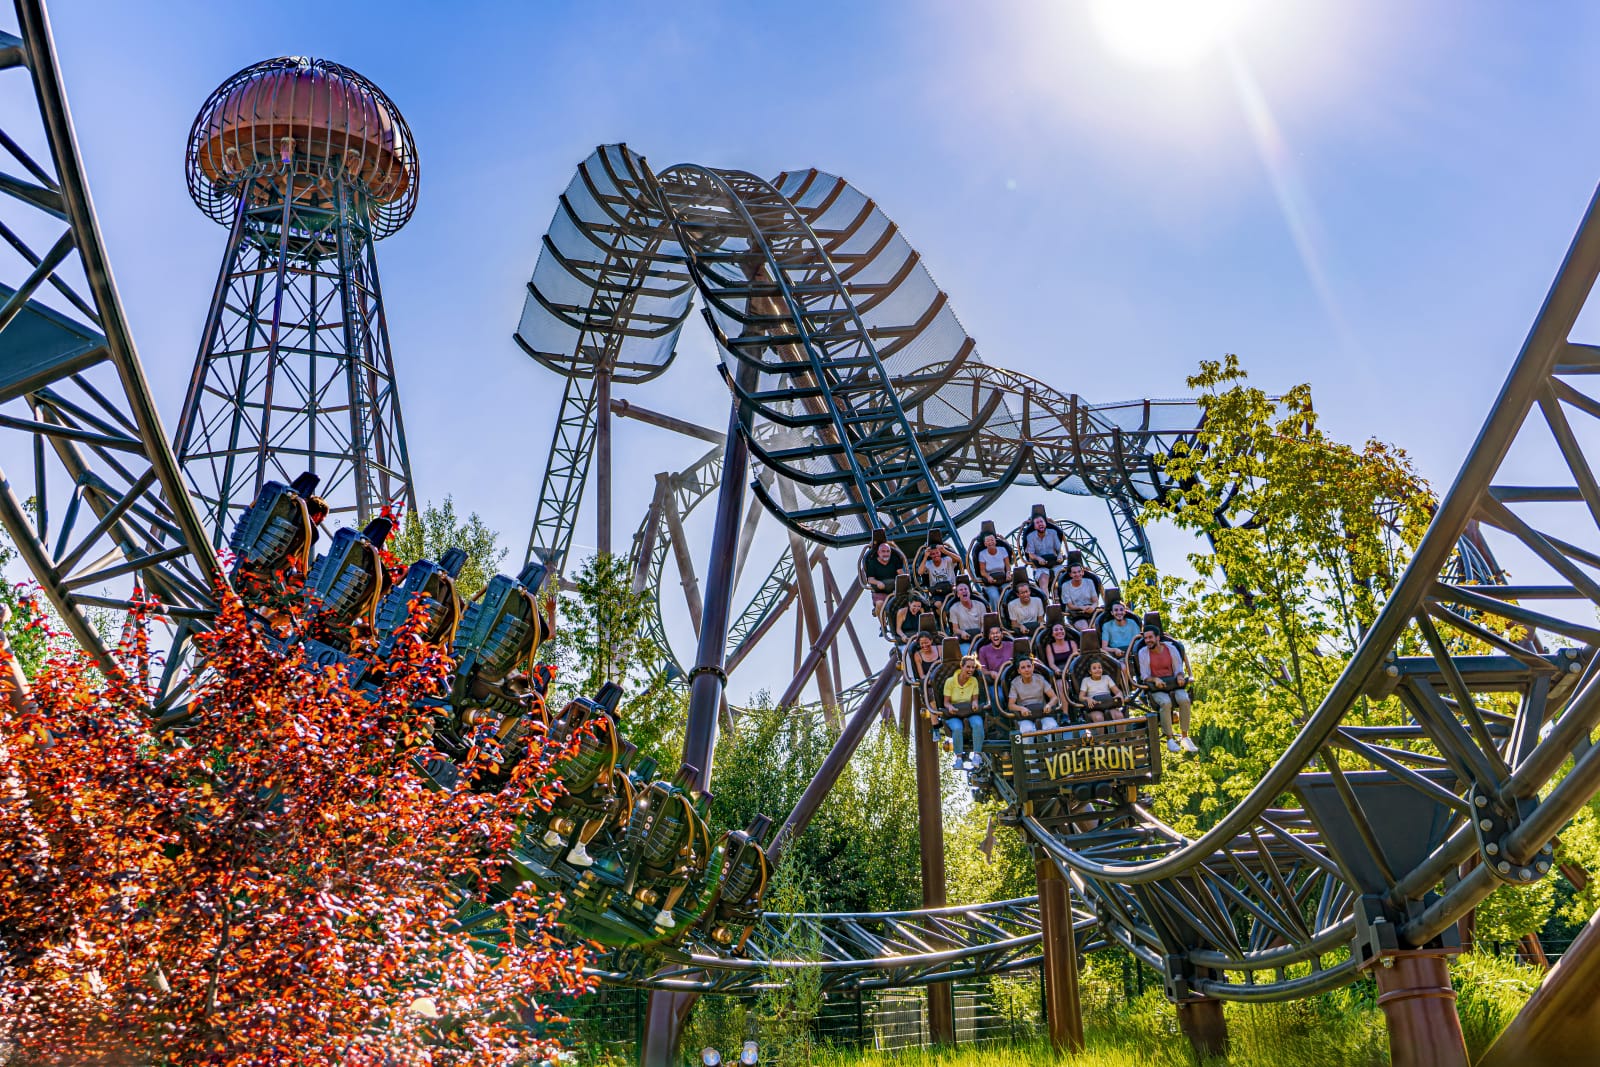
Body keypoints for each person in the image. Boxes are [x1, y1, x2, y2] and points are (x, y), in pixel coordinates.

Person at [1138, 628, 1197, 754]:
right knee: (1165, 702)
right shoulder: (1143, 652)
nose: (1148, 640)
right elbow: (1144, 676)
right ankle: (1170, 738)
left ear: (1158, 638)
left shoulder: (1171, 649)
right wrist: (1154, 679)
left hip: (1173, 684)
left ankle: (1185, 736)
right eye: (1146, 638)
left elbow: (1178, 669)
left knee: (1184, 699)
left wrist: (1180, 676)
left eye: (1150, 637)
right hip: (1157, 688)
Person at [942, 655, 987, 771]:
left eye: (973, 668)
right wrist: (950, 707)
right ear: (962, 666)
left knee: (977, 723)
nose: (971, 670)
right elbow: (946, 703)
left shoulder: (973, 681)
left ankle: (977, 756)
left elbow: (975, 699)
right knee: (957, 728)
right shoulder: (950, 682)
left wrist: (975, 703)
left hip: (969, 711)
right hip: (955, 712)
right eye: (968, 667)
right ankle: (958, 758)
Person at [1007, 658, 1060, 732]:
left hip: (1042, 713)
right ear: (1019, 671)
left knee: (1052, 726)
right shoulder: (1015, 683)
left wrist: (1049, 705)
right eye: (1023, 667)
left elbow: (1054, 697)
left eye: (1029, 666)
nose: (1027, 670)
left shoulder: (1040, 679)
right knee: (1027, 730)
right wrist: (1021, 709)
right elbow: (1011, 705)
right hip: (1025, 716)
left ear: (1033, 667)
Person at [1022, 515, 1066, 594]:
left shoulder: (1053, 532)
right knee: (1043, 580)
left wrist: (1060, 555)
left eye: (1041, 522)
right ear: (1034, 526)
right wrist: (1038, 558)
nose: (1040, 524)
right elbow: (1030, 554)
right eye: (1037, 523)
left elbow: (1059, 550)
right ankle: (1046, 603)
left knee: (1061, 578)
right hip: (1040, 567)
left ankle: (1060, 600)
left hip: (1055, 564)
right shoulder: (1030, 536)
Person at [1040, 622, 1078, 703]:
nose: (1059, 631)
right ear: (1052, 634)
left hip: (1071, 670)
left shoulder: (1072, 643)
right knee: (1061, 686)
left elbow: (1075, 659)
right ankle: (1065, 713)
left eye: (1061, 629)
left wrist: (1069, 669)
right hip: (1059, 673)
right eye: (1056, 630)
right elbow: (1051, 663)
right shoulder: (1049, 646)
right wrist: (1057, 670)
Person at [1078, 658, 1123, 724]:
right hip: (1095, 706)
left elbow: (1117, 691)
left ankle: (1121, 734)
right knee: (1098, 718)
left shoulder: (1106, 678)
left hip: (1108, 704)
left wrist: (1119, 695)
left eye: (1099, 667)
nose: (1098, 670)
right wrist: (1088, 698)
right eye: (1094, 668)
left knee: (1119, 716)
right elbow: (1081, 697)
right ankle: (1100, 734)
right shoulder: (1086, 680)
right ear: (1090, 672)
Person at [975, 533, 1011, 610]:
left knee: (1008, 593)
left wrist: (1008, 573)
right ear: (985, 544)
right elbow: (982, 571)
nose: (990, 542)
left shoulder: (1002, 550)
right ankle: (998, 616)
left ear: (995, 541)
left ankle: (1009, 613)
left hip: (1003, 579)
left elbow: (1008, 566)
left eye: (992, 540)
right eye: (988, 541)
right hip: (990, 582)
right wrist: (988, 577)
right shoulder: (982, 554)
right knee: (994, 596)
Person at [863, 541, 903, 609]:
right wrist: (878, 582)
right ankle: (880, 614)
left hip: (894, 588)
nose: (886, 554)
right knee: (879, 604)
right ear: (878, 553)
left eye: (888, 551)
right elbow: (870, 579)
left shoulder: (894, 559)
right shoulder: (872, 563)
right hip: (880, 589)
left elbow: (900, 573)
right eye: (883, 551)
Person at [1059, 564, 1100, 630]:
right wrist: (1082, 608)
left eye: (1079, 571)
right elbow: (1070, 606)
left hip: (1090, 610)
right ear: (1070, 574)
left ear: (1082, 572)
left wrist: (1092, 607)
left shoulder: (1089, 582)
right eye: (1074, 573)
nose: (1077, 574)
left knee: (1097, 626)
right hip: (1075, 613)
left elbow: (1095, 601)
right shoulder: (1065, 586)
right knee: (1085, 628)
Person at [946, 581, 985, 646]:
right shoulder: (953, 609)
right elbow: (955, 629)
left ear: (969, 592)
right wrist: (962, 633)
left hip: (979, 636)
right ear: (958, 595)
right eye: (961, 590)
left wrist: (982, 633)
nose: (964, 591)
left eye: (965, 589)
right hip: (965, 637)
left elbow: (984, 624)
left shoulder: (980, 605)